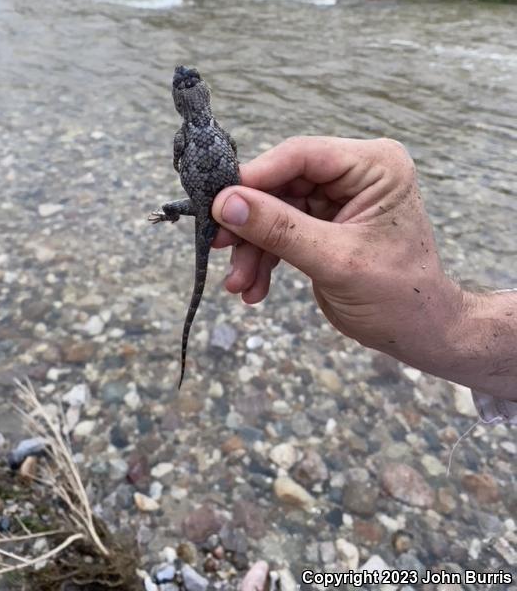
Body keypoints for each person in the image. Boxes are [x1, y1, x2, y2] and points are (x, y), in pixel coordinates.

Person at [211, 136, 517, 422]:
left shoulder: (194, 136)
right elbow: (229, 148)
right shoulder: (219, 135)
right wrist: (451, 324)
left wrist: (449, 324)